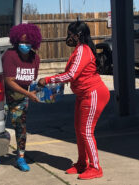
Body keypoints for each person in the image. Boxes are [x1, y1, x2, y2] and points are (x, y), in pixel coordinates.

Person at [38, 21, 110, 180]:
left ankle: (95, 167)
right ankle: (82, 163)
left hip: (93, 94)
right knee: (79, 130)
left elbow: (71, 75)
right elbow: (72, 73)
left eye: (70, 34)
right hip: (83, 94)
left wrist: (49, 79)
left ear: (78, 35)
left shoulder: (83, 50)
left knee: (86, 132)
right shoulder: (79, 50)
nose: (68, 37)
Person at [0, 23, 42, 176]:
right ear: (16, 41)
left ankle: (21, 158)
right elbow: (9, 81)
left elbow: (30, 81)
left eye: (28, 42)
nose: (25, 45)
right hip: (3, 98)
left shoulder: (35, 59)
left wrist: (41, 91)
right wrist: (29, 94)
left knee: (21, 129)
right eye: (22, 42)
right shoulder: (10, 56)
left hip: (21, 99)